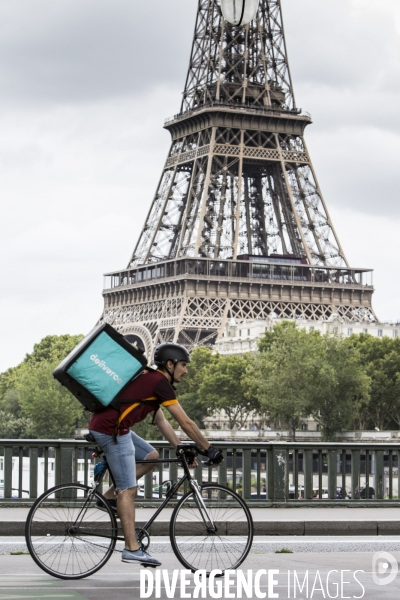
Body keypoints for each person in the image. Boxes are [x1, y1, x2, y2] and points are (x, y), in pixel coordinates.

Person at [88, 342, 223, 568]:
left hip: (113, 426)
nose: (186, 370)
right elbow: (186, 422)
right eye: (183, 365)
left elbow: (161, 420)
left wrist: (179, 446)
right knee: (128, 489)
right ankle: (132, 548)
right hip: (111, 430)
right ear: (169, 364)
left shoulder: (151, 380)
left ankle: (109, 497)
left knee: (151, 456)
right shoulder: (159, 382)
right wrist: (209, 448)